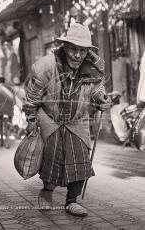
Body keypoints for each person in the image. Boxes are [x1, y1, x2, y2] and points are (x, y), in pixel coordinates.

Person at [22, 23, 111, 217]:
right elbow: (33, 95)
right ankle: (46, 192)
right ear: (65, 47)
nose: (77, 55)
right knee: (52, 154)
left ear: (87, 51)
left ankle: (72, 201)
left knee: (79, 156)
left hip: (77, 119)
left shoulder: (93, 67)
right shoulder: (46, 65)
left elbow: (97, 89)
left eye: (82, 50)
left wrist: (101, 98)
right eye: (73, 49)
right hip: (50, 117)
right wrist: (30, 119)